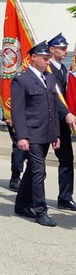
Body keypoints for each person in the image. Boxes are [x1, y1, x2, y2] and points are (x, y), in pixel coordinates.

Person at [12, 41, 75, 227]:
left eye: (48, 58)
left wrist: (55, 134)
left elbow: (53, 107)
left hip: (46, 133)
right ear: (33, 58)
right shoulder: (21, 80)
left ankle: (21, 204)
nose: (47, 61)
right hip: (31, 133)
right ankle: (40, 210)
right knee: (40, 171)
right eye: (44, 58)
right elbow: (17, 111)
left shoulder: (49, 78)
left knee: (33, 169)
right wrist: (21, 136)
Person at [47, 33, 76, 210]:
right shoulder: (48, 69)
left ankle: (65, 197)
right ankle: (26, 197)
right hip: (50, 121)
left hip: (62, 119)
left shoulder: (63, 69)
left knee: (66, 159)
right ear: (52, 49)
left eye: (66, 48)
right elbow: (54, 97)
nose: (66, 51)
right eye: (62, 48)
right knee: (36, 162)